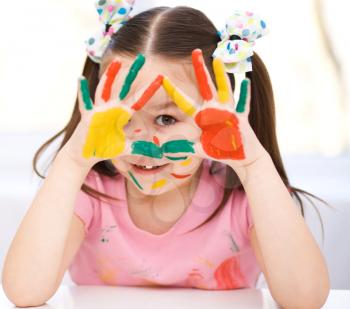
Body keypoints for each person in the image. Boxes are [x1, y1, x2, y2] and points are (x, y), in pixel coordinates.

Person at [2, 1, 331, 308]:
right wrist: (72, 162)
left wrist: (254, 165)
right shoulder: (88, 192)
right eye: (124, 118)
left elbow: (305, 299)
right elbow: (24, 292)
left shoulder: (246, 197)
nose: (142, 141)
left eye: (167, 119)